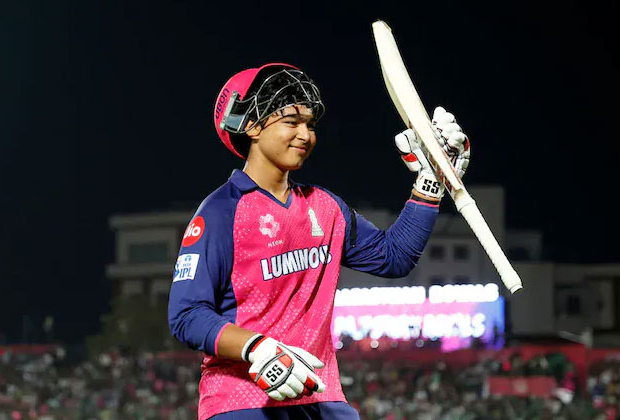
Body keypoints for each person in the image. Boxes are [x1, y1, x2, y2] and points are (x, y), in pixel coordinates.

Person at [168, 63, 470, 420]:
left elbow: (395, 257)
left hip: (320, 396)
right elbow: (186, 315)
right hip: (242, 401)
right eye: (291, 122)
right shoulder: (221, 211)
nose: (305, 135)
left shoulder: (325, 207)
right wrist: (258, 348)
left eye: (310, 125)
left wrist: (430, 183)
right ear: (251, 126)